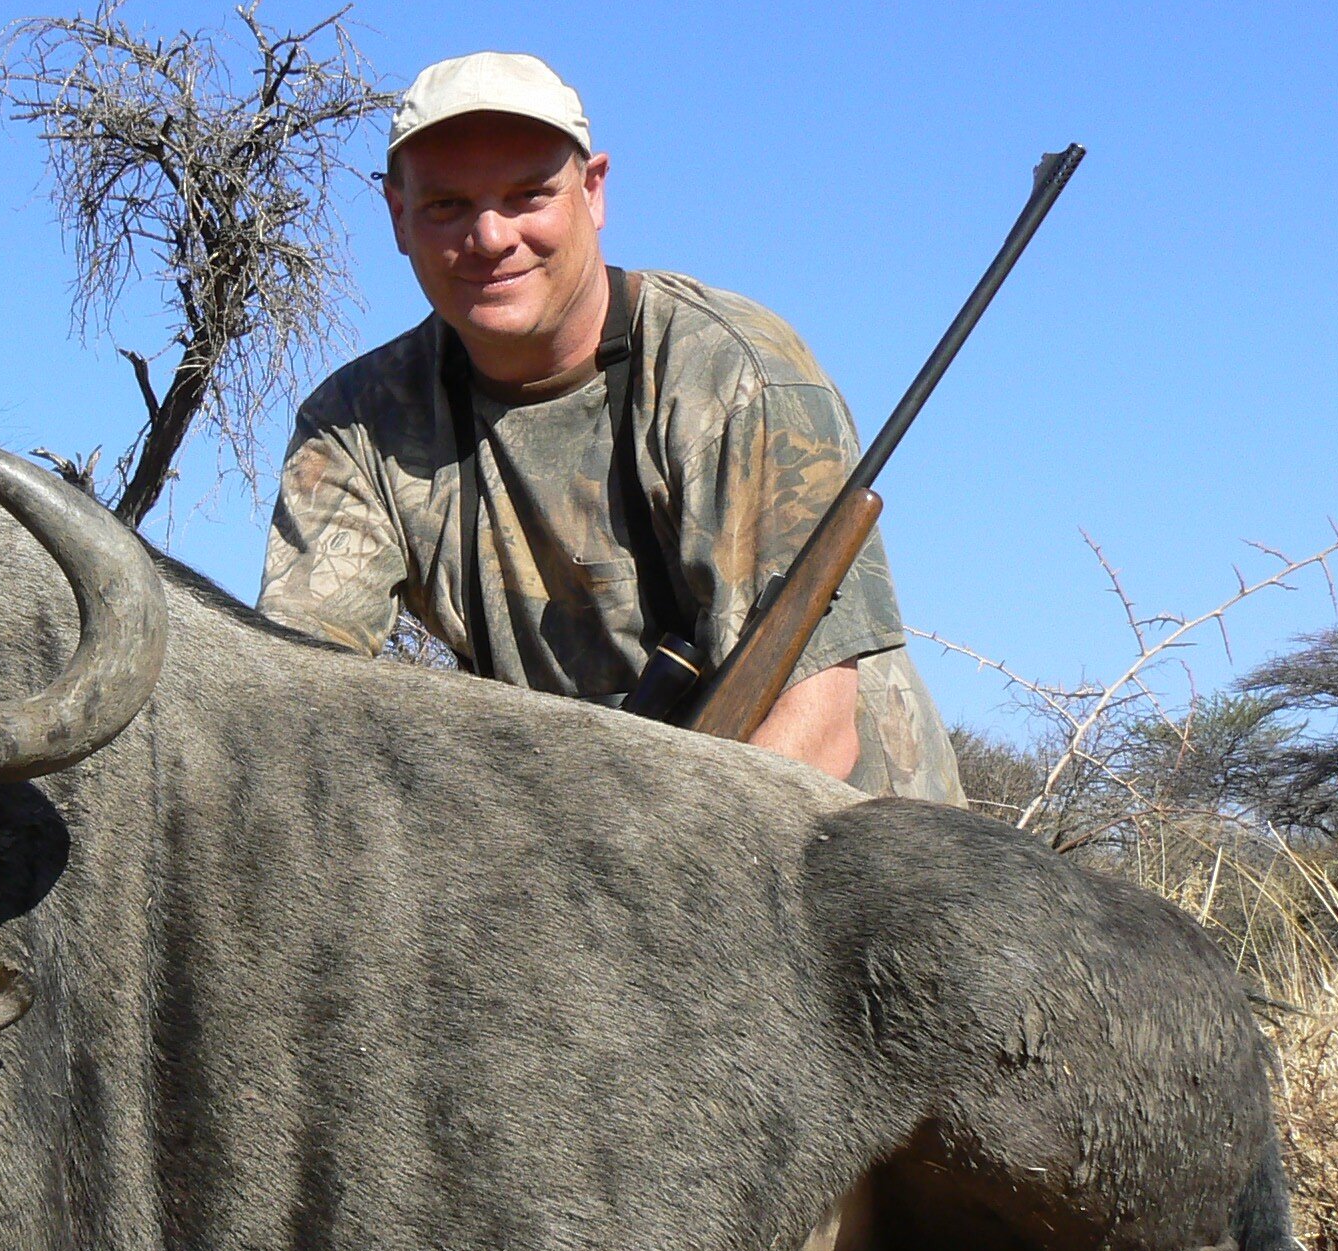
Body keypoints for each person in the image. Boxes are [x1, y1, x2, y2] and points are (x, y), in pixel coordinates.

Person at [258, 51, 960, 800]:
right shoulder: (353, 426)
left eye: (529, 196)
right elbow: (299, 703)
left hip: (850, 846)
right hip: (603, 829)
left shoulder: (733, 374)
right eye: (446, 206)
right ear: (397, 216)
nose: (491, 237)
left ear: (592, 191)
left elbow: (815, 732)